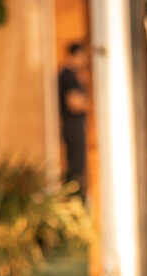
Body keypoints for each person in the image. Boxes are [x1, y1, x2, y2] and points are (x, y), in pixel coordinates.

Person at [58, 42, 88, 198]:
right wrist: (88, 102)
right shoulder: (67, 76)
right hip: (72, 129)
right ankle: (73, 200)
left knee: (78, 167)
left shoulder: (72, 76)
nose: (84, 61)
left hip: (75, 129)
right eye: (82, 56)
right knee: (75, 168)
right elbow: (74, 103)